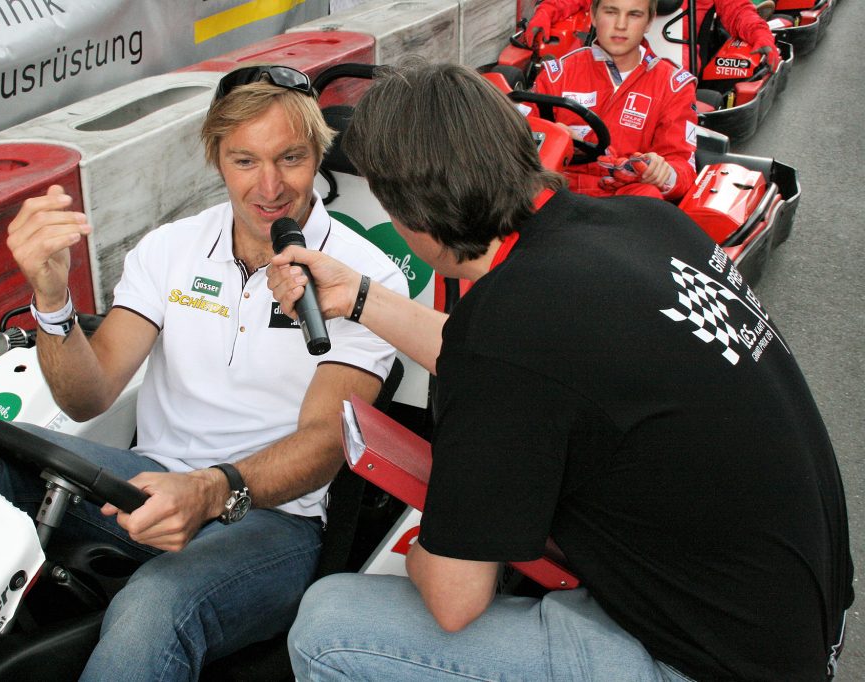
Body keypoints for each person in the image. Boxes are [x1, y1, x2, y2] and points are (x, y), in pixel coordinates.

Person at [270, 60, 853, 681]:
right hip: (796, 623)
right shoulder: (645, 224)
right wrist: (359, 296)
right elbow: (513, 356)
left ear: (410, 214)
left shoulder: (510, 327)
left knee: (329, 626)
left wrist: (420, 556)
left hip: (711, 663)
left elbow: (452, 599)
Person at [0, 64, 407, 681]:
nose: (269, 186)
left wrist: (210, 489)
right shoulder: (170, 248)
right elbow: (88, 396)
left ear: (318, 154)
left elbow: (325, 445)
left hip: (274, 521)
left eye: (290, 158)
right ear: (216, 158)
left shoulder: (368, 276)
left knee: (153, 606)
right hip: (147, 482)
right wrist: (51, 300)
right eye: (245, 161)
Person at [531, 0, 698, 200]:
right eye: (611, 12)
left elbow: (684, 168)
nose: (620, 25)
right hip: (558, 192)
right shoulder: (557, 75)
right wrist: (552, 139)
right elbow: (514, 144)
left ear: (648, 22)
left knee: (649, 195)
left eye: (634, 15)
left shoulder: (674, 86)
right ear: (594, 15)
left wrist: (662, 172)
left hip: (624, 202)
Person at [526, 0, 780, 71]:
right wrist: (545, 12)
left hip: (676, 70)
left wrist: (761, 36)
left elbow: (738, 12)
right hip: (609, 60)